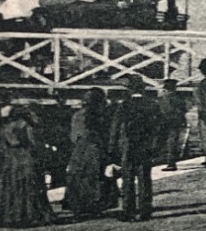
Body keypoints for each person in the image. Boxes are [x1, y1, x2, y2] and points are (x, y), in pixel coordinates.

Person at [110, 77, 163, 221]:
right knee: (145, 178)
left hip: (128, 146)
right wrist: (156, 146)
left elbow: (115, 129)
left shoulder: (124, 106)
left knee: (127, 179)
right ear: (143, 89)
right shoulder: (152, 105)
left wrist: (112, 149)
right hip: (145, 146)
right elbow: (160, 127)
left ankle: (128, 211)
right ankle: (146, 210)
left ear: (129, 90)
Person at [62, 88, 110, 218]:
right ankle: (94, 204)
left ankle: (77, 204)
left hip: (80, 147)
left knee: (78, 174)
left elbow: (73, 135)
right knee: (94, 175)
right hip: (94, 146)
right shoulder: (100, 116)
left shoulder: (77, 115)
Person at [156, 78, 188, 170]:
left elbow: (163, 111)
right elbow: (184, 109)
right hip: (176, 122)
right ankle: (171, 162)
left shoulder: (165, 98)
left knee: (167, 143)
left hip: (166, 123)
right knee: (173, 142)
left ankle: (169, 163)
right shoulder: (179, 97)